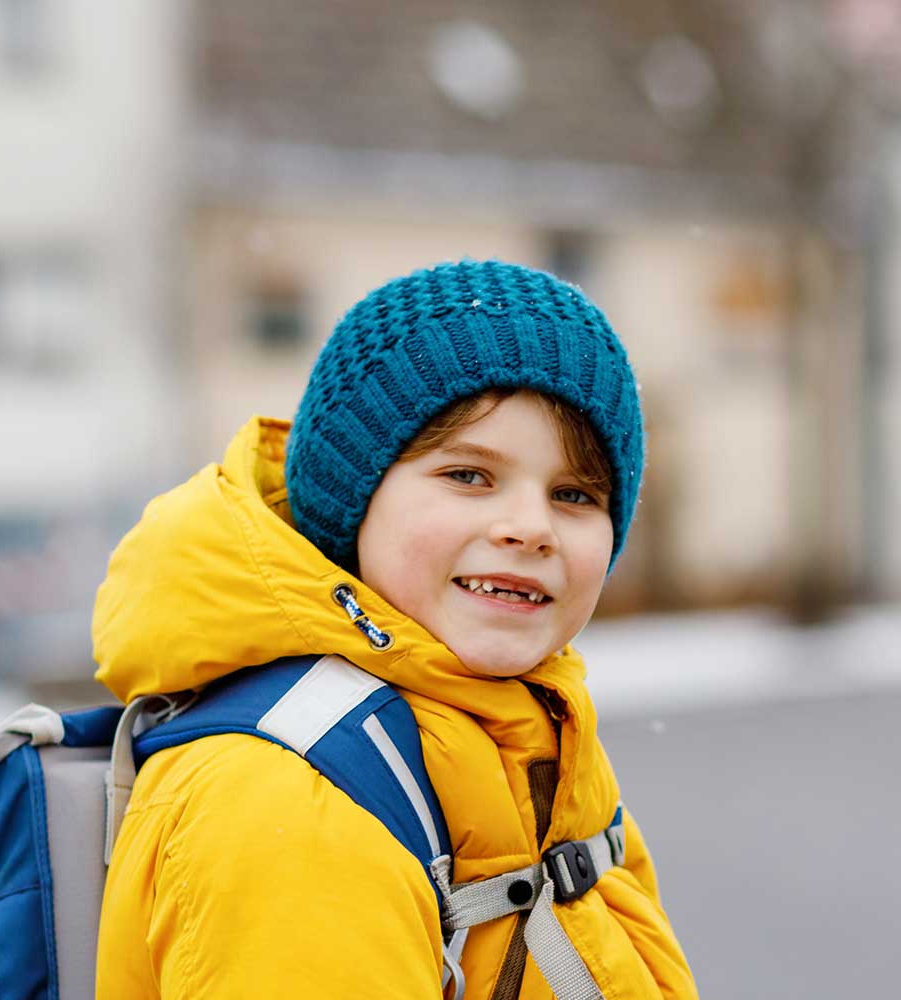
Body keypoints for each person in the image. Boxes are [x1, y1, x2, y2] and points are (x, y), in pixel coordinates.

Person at [91, 259, 699, 998]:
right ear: (353, 496)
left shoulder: (536, 731)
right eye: (469, 475)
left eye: (574, 493)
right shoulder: (290, 794)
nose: (531, 527)